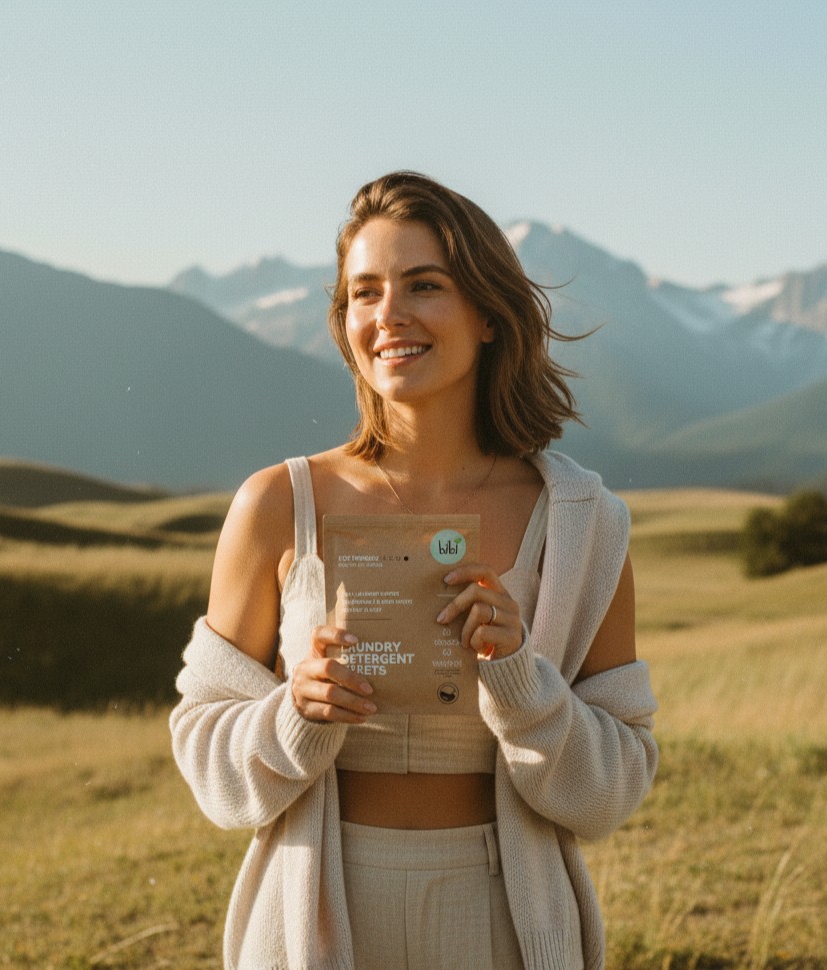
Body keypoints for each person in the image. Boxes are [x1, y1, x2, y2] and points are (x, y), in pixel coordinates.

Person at [170, 171, 658, 970]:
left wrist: (524, 684)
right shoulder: (275, 505)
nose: (388, 315)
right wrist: (293, 713)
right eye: (364, 293)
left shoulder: (582, 521)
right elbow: (204, 753)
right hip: (314, 917)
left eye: (423, 285)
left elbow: (614, 790)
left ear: (490, 315)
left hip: (502, 915)